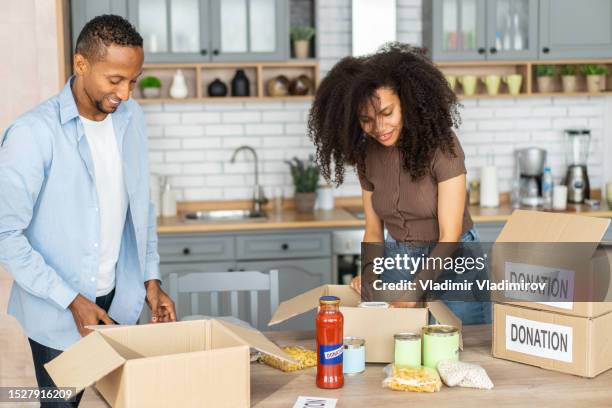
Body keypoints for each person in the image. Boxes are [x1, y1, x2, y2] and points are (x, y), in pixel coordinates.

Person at [0, 15, 176, 407]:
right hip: (59, 310)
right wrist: (71, 300)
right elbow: (5, 236)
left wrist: (151, 278)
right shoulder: (33, 134)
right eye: (114, 80)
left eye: (132, 80)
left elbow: (139, 207)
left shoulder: (131, 120)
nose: (126, 94)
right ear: (81, 65)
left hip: (122, 301)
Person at [308, 43, 490, 324]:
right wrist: (369, 278)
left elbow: (450, 235)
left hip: (453, 259)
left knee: (460, 344)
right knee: (396, 342)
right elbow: (372, 230)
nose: (379, 128)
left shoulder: (442, 145)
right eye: (366, 120)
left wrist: (413, 292)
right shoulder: (366, 154)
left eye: (387, 113)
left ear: (406, 102)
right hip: (400, 256)